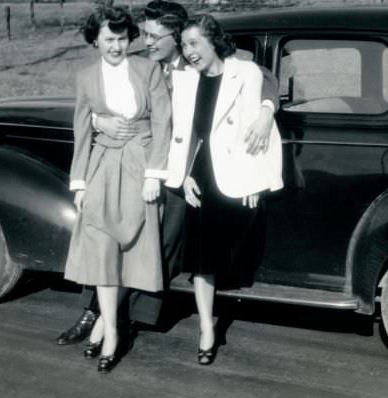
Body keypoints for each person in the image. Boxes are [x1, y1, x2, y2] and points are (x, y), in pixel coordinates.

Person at [55, 0, 280, 346]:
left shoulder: (193, 62)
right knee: (108, 235)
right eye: (144, 34)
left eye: (155, 36)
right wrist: (100, 120)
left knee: (160, 242)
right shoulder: (142, 66)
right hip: (138, 164)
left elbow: (260, 75)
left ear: (177, 36)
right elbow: (107, 101)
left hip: (178, 170)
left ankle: (125, 317)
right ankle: (95, 312)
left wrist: (266, 109)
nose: (147, 42)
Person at [165, 14, 283, 365]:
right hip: (200, 174)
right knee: (202, 258)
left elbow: (270, 86)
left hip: (237, 172)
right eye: (184, 45)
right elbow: (180, 134)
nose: (189, 52)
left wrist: (265, 113)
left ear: (214, 41)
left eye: (194, 44)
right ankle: (206, 327)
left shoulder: (244, 72)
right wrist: (182, 175)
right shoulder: (185, 80)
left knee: (232, 249)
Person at [63, 5, 171, 373]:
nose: (116, 46)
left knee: (132, 248)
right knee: (102, 252)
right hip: (101, 169)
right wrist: (79, 183)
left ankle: (111, 325)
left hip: (139, 165)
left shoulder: (148, 69)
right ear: (96, 40)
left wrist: (154, 174)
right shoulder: (85, 77)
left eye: (122, 38)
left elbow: (163, 120)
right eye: (109, 39)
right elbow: (81, 132)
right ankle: (109, 330)